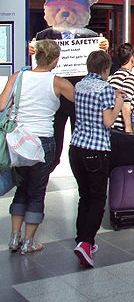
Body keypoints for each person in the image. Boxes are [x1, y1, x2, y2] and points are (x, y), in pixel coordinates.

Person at [0, 40, 74, 255]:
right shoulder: (59, 82)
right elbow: (82, 100)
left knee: (21, 187)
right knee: (37, 191)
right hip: (42, 142)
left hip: (18, 141)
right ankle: (29, 242)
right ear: (55, 59)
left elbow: (2, 105)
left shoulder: (17, 77)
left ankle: (14, 237)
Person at [70, 50, 125, 267]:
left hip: (76, 148)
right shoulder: (105, 89)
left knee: (84, 196)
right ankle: (86, 242)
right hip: (96, 150)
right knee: (97, 198)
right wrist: (119, 102)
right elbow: (108, 121)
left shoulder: (80, 85)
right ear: (106, 69)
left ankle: (81, 239)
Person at [108, 43, 134, 133]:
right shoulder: (129, 77)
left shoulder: (114, 76)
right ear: (132, 58)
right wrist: (128, 128)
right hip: (119, 127)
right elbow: (125, 104)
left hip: (110, 125)